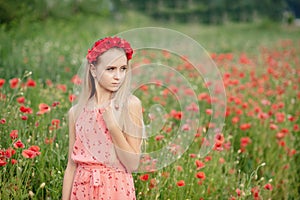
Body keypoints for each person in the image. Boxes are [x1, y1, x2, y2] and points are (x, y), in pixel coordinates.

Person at [62, 37, 144, 200]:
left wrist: (113, 126)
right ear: (93, 70)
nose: (118, 76)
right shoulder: (76, 112)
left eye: (123, 69)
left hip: (116, 189)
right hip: (82, 188)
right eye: (111, 69)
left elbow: (133, 164)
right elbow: (71, 165)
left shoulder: (130, 105)